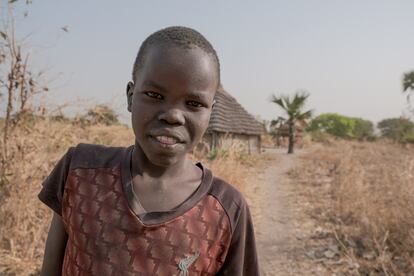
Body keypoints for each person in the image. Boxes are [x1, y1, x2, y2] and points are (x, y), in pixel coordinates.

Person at [39, 26, 259, 276]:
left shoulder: (226, 209)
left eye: (194, 104)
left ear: (210, 112)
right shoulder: (80, 171)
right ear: (131, 96)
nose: (173, 115)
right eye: (154, 95)